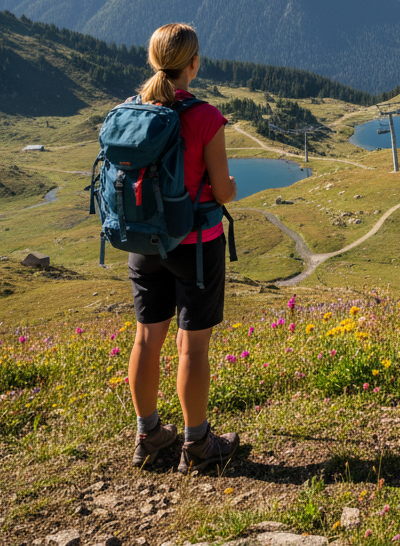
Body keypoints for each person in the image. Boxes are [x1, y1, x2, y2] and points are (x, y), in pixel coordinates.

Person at [127, 23, 241, 472]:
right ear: (193, 64)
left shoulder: (136, 111)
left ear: (155, 62)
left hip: (143, 242)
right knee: (192, 347)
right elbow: (223, 190)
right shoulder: (205, 117)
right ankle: (197, 445)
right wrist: (230, 186)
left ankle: (149, 436)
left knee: (145, 339)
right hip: (194, 246)